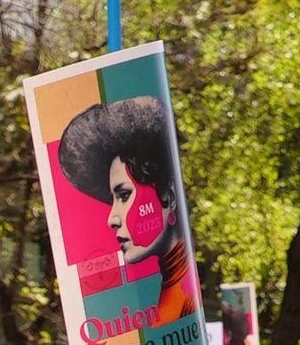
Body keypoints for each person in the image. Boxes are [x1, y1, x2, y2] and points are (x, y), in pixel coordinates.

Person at [54, 91, 196, 327]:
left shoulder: (181, 304)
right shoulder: (171, 296)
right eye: (113, 199)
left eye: (124, 194)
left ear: (168, 196)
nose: (112, 219)